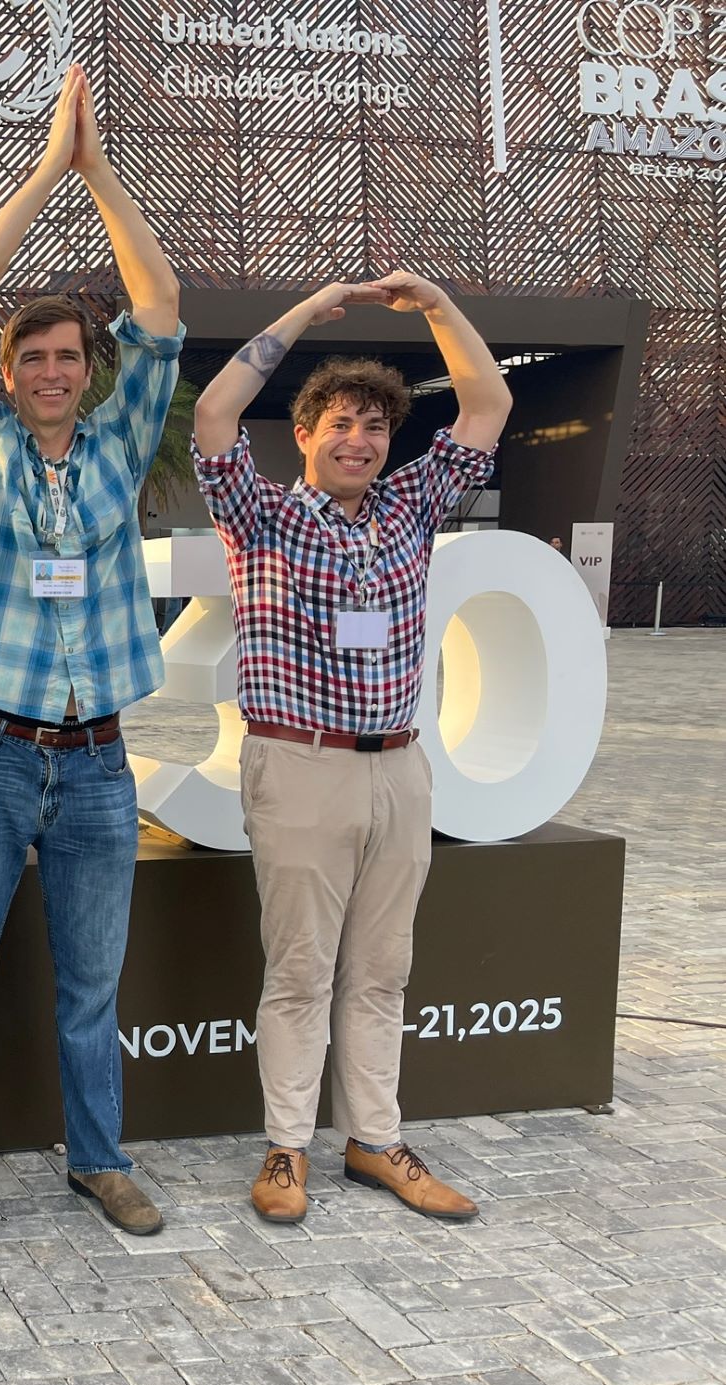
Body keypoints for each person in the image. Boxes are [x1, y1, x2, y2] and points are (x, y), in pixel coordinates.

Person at [0, 64, 183, 1245]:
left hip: (96, 765)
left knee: (91, 986)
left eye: (69, 356)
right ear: (11, 373)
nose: (49, 372)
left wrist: (100, 172)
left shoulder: (120, 441)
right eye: (33, 359)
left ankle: (98, 1158)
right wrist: (42, 173)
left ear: (90, 368)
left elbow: (163, 305)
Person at [190, 273, 511, 1224]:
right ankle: (286, 1149)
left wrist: (437, 306)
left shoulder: (413, 504)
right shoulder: (262, 515)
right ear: (306, 433)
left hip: (400, 768)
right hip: (300, 765)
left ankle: (375, 1140)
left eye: (375, 425)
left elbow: (488, 402)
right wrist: (309, 311)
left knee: (383, 969)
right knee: (299, 969)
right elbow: (214, 410)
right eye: (341, 422)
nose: (360, 440)